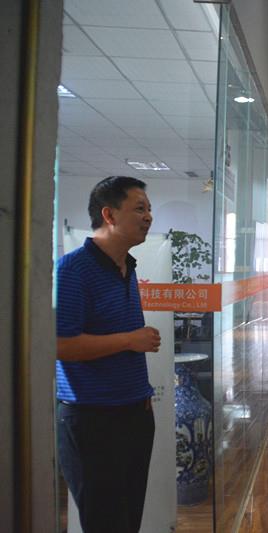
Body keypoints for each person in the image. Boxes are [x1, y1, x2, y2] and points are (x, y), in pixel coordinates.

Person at [56, 176, 161, 533]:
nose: (148, 217)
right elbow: (61, 345)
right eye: (139, 208)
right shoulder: (72, 269)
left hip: (135, 415)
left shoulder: (127, 266)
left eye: (149, 209)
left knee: (128, 521)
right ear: (109, 214)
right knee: (105, 523)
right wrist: (130, 340)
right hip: (93, 422)